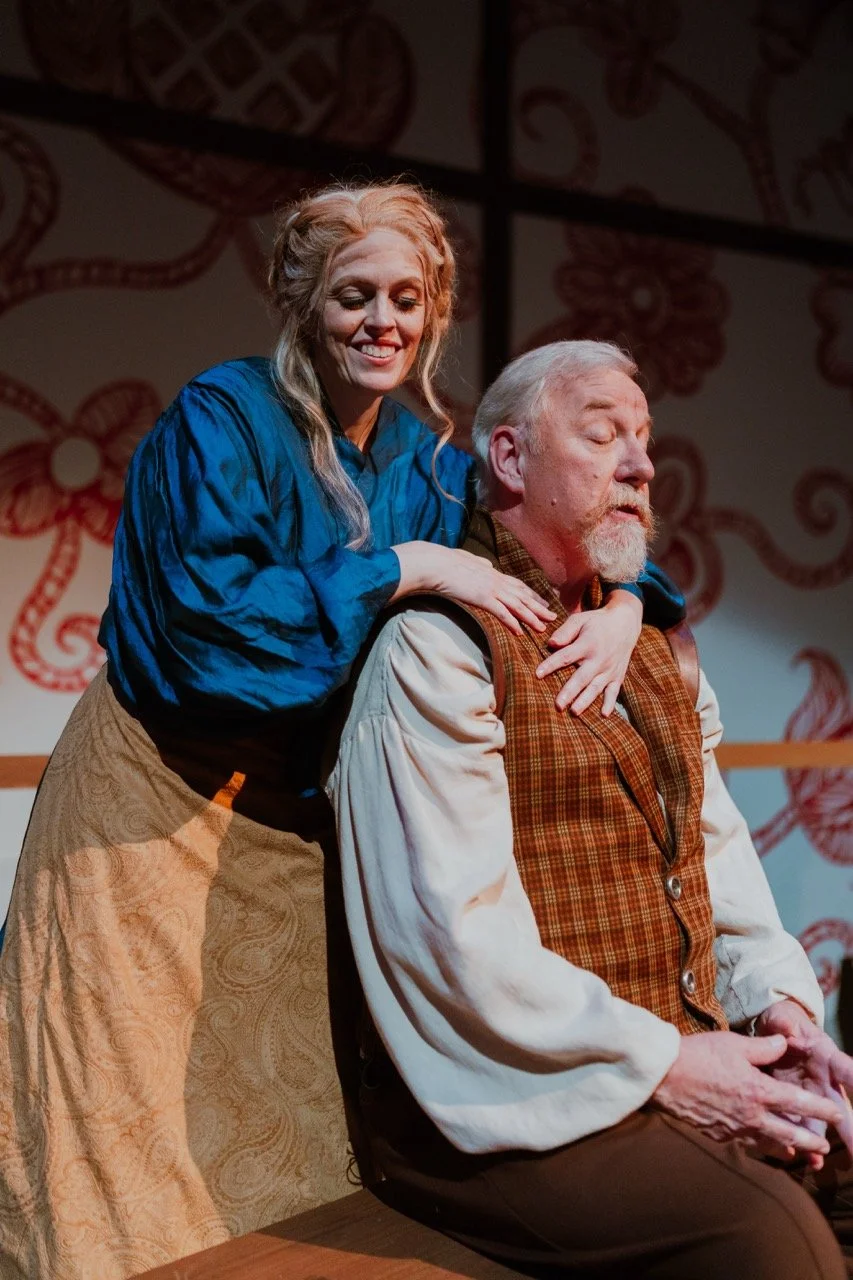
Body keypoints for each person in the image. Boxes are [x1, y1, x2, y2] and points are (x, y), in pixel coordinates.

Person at [0, 187, 683, 1280]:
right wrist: (402, 566)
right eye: (353, 295)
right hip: (151, 807)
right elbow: (209, 631)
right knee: (123, 1140)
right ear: (305, 304)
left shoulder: (425, 462)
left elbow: (557, 524)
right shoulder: (222, 418)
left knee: (275, 1145)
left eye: (405, 299)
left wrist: (627, 603)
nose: (382, 321)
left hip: (293, 834)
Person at [327, 338, 853, 1280]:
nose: (640, 464)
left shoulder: (653, 652)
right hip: (498, 1098)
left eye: (644, 438)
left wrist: (779, 1015)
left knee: (841, 1160)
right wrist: (665, 1064)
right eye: (603, 434)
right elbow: (454, 939)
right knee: (771, 1238)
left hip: (658, 1051)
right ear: (510, 457)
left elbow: (719, 864)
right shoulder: (437, 650)